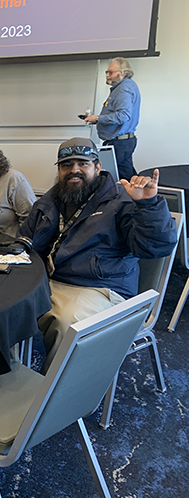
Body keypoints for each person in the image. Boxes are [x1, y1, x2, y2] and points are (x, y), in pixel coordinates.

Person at [18, 137, 177, 373]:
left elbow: (154, 247)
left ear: (98, 167)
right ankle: (7, 382)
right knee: (1, 308)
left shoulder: (123, 200)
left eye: (83, 163)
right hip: (49, 281)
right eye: (66, 165)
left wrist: (149, 206)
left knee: (68, 322)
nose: (74, 170)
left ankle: (57, 402)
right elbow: (26, 240)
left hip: (99, 287)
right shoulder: (49, 201)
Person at [84, 57, 140, 181]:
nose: (107, 75)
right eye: (107, 72)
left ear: (123, 73)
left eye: (111, 72)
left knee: (114, 179)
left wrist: (98, 118)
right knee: (126, 177)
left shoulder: (123, 90)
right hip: (123, 142)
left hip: (119, 143)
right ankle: (134, 199)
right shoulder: (125, 87)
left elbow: (123, 115)